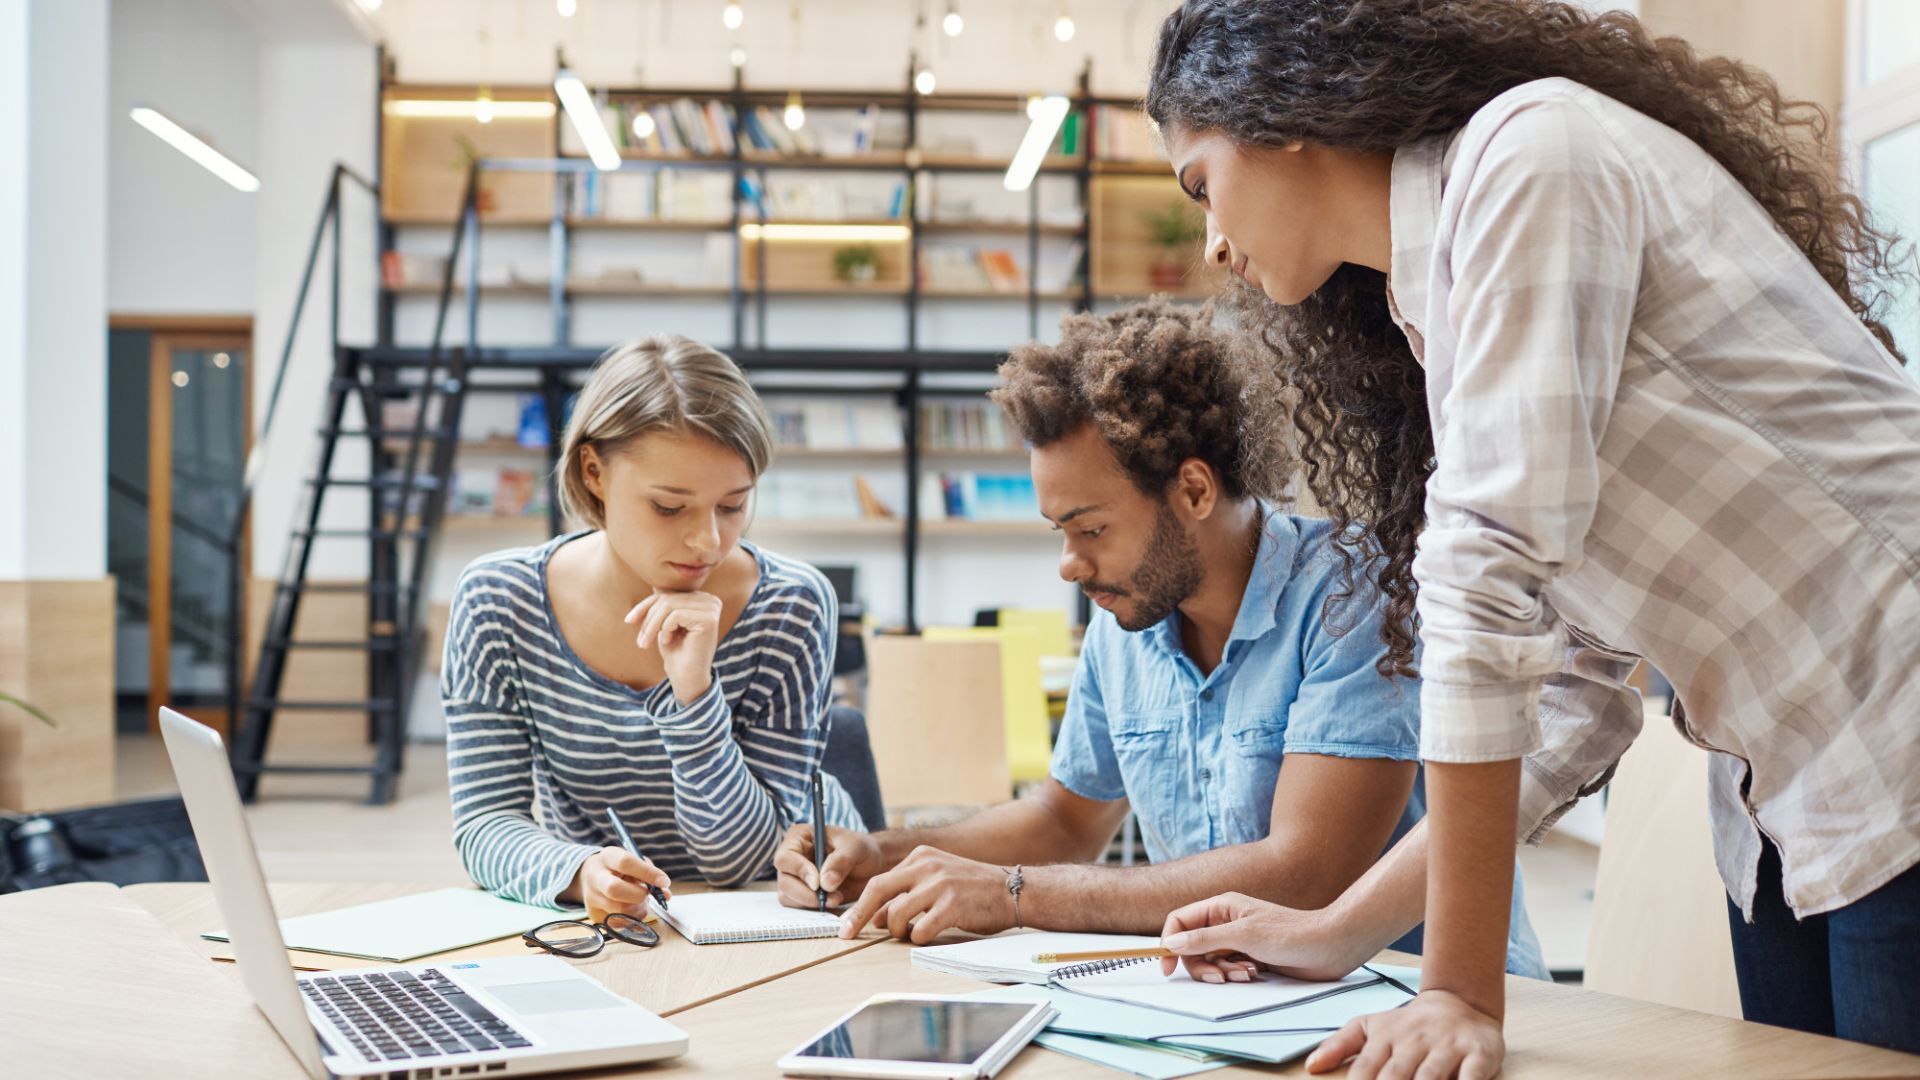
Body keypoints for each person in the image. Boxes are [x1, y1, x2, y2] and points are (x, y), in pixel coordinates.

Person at [1143, 1, 1920, 1075]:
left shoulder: (1529, 153)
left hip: (1897, 720)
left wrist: (1457, 987)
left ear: (1275, 117)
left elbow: (1485, 572)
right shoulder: (1440, 302)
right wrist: (1339, 929)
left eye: (1199, 182)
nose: (1212, 238)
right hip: (1788, 788)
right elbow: (1568, 695)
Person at [771, 301, 1547, 979]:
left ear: (1195, 489)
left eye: (1091, 529)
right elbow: (1066, 820)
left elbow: (1306, 874)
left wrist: (1013, 894)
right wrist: (887, 854)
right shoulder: (1128, 618)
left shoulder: (1350, 591)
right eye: (1060, 533)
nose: (1071, 565)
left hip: (1411, 995)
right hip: (1240, 1000)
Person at [441, 335, 866, 919]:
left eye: (732, 505)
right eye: (669, 507)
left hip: (773, 914)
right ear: (593, 471)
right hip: (618, 920)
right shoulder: (500, 599)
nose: (708, 541)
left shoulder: (792, 605)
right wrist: (575, 871)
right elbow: (486, 821)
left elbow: (738, 861)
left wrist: (694, 694)